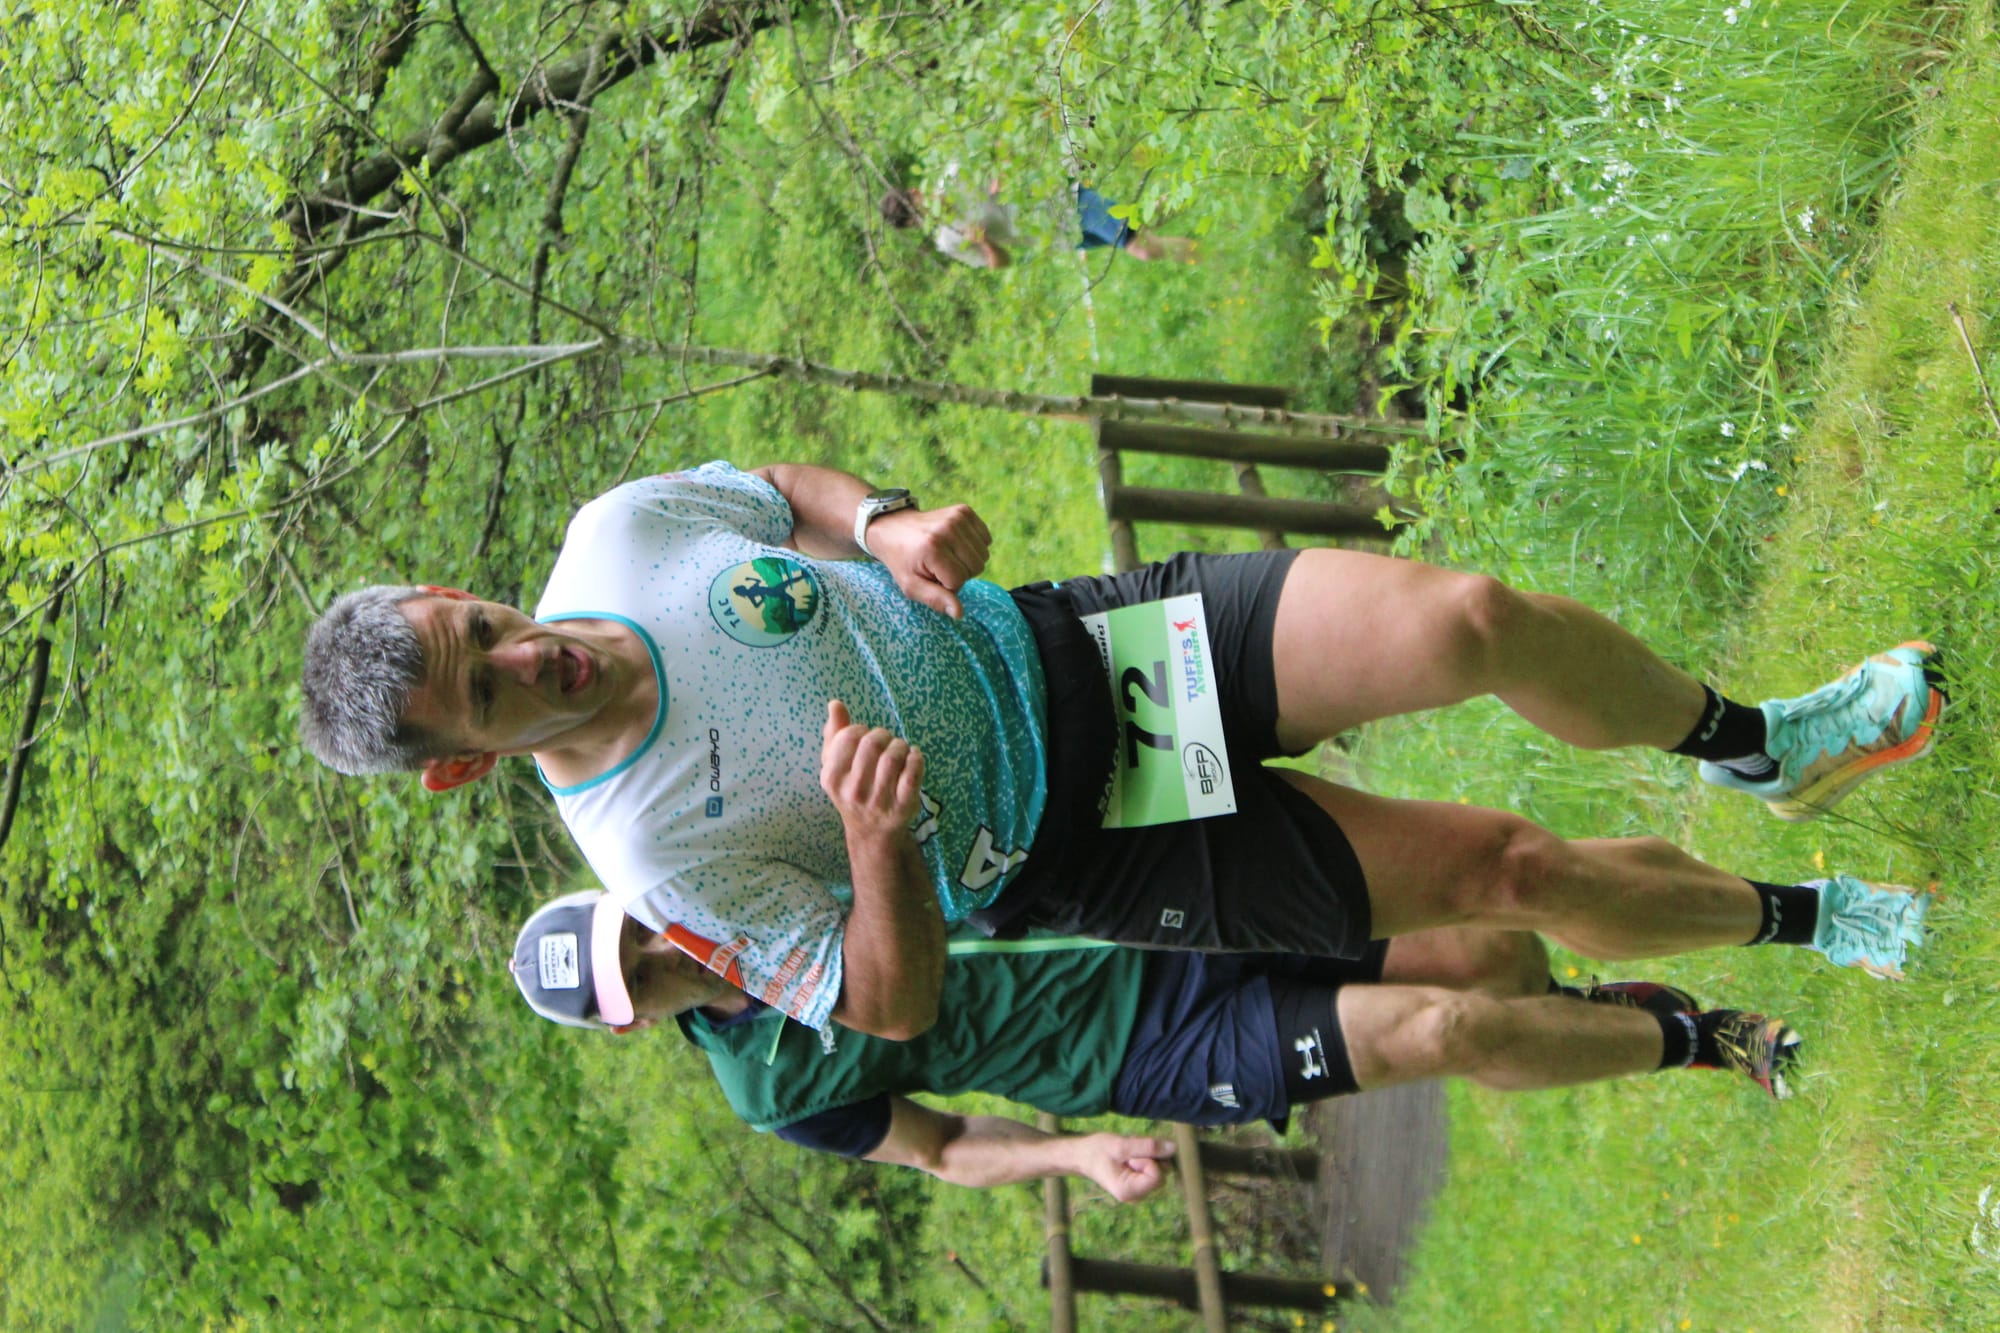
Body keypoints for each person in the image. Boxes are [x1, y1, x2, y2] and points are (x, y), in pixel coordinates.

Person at [301, 461, 1944, 1043]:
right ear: (466, 762)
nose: (535, 653)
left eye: (485, 622)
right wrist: (879, 844)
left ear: (459, 588)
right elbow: (886, 1003)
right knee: (1508, 875)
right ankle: (1808, 916)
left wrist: (881, 516)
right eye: (494, 691)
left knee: (1465, 618)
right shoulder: (659, 859)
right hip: (1084, 846)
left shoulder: (617, 531)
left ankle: (1762, 741)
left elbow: (775, 490)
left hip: (1087, 652)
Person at [509, 893, 1805, 1198]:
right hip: (1142, 1048)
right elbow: (944, 1147)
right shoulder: (768, 1085)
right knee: (1445, 1026)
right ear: (635, 1025)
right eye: (635, 985)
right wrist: (1075, 1155)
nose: (658, 962)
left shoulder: (755, 879)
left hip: (1154, 905)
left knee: (1487, 962)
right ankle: (1706, 1039)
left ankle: (1605, 1015)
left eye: (638, 936)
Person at [879, 166, 1198, 269]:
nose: (922, 216)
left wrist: (999, 175)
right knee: (1140, 232)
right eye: (915, 221)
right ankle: (1196, 197)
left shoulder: (954, 175)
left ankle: (1206, 237)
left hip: (1062, 202)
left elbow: (1003, 155)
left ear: (915, 194)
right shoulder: (947, 239)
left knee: (1139, 246)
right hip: (1057, 236)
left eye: (915, 208)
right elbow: (1001, 263)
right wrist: (986, 243)